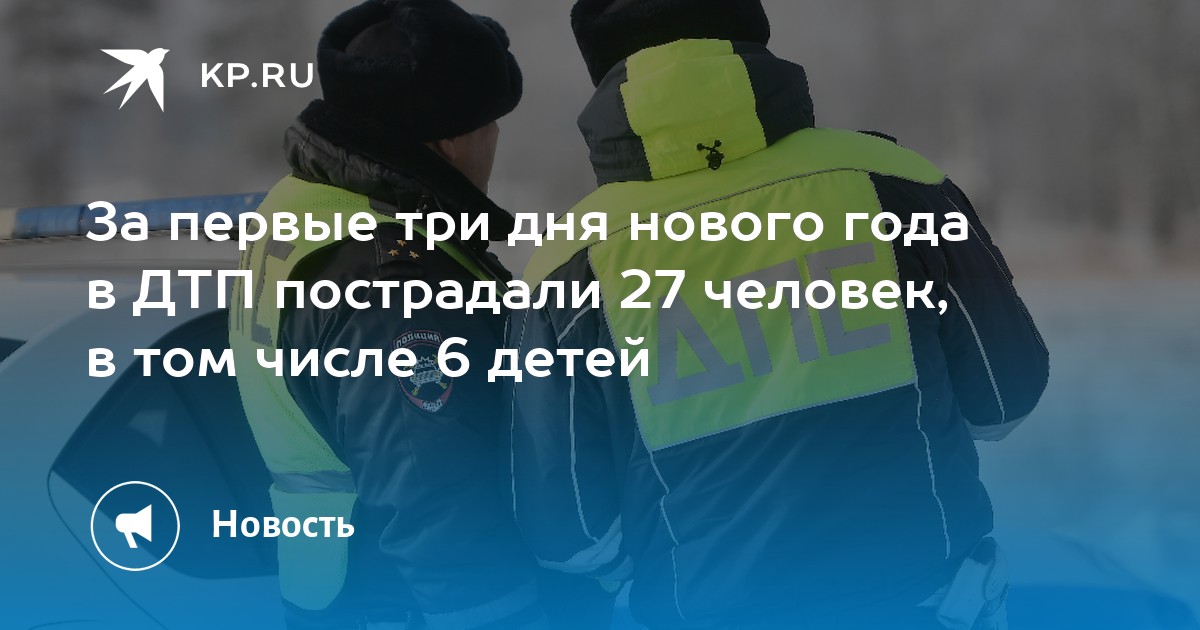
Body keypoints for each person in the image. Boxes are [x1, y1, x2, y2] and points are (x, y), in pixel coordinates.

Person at [508, 0, 1050, 628]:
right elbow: (1006, 399)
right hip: (923, 600)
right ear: (751, 33)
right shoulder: (896, 183)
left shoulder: (568, 264)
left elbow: (570, 533)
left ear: (602, 70)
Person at [230, 1, 553, 628]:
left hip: (338, 585)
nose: (494, 141)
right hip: (405, 600)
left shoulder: (301, 207)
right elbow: (433, 494)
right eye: (490, 122)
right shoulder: (394, 283)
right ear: (449, 139)